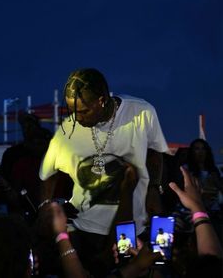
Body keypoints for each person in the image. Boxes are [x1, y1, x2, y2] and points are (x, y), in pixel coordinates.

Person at [39, 68, 168, 272]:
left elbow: (154, 152)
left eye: (83, 111)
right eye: (73, 110)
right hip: (83, 229)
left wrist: (154, 187)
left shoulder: (142, 112)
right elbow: (48, 174)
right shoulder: (68, 129)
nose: (77, 117)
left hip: (129, 227)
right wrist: (45, 205)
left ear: (101, 100)